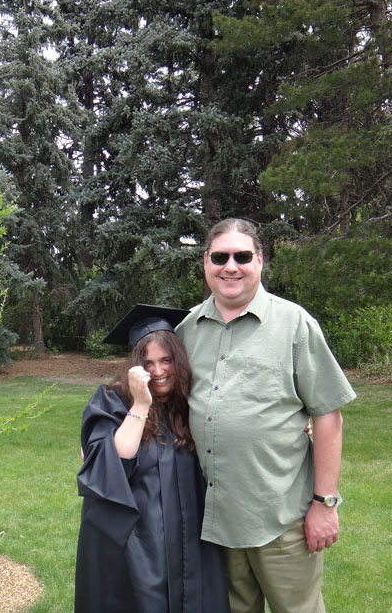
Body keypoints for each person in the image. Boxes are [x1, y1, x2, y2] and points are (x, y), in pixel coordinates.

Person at [176, 218, 357, 613]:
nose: (231, 266)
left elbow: (328, 415)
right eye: (220, 257)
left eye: (242, 256)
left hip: (281, 519)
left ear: (259, 261)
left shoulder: (293, 324)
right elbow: (162, 400)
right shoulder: (187, 329)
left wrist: (325, 504)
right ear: (205, 262)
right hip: (215, 521)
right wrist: (106, 438)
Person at [75, 304, 229, 613]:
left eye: (166, 360)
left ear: (178, 359)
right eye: (148, 363)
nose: (158, 371)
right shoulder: (112, 400)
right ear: (135, 365)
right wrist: (141, 404)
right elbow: (114, 460)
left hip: (191, 538)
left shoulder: (190, 402)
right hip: (136, 543)